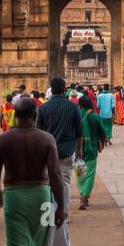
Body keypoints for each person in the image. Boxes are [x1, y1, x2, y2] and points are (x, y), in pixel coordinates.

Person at [0, 96, 65, 246]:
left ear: (15, 114)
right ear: (35, 116)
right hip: (42, 196)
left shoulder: (3, 139)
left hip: (14, 195)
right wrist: (61, 206)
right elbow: (55, 173)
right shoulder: (46, 139)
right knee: (37, 243)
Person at [36, 76, 84, 213]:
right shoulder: (72, 107)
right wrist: (79, 150)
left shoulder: (43, 108)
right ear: (65, 89)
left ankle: (49, 213)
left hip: (47, 152)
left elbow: (38, 131)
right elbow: (79, 132)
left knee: (49, 182)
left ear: (51, 90)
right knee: (64, 182)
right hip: (67, 151)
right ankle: (63, 212)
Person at [76, 92, 108, 210]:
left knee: (80, 173)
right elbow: (102, 132)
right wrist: (103, 141)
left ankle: (82, 192)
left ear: (80, 105)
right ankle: (84, 196)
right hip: (91, 148)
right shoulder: (95, 117)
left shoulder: (76, 115)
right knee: (90, 174)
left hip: (77, 148)